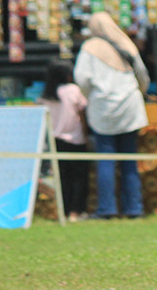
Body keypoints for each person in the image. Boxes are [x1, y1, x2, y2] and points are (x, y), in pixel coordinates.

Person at [73, 12, 150, 219]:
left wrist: (92, 97)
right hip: (131, 107)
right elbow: (143, 76)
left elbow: (81, 79)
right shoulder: (127, 44)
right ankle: (134, 208)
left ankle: (107, 209)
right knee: (129, 160)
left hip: (104, 108)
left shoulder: (89, 48)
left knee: (106, 159)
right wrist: (138, 94)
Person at [39, 59, 89, 222]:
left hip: (56, 142)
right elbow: (81, 114)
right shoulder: (73, 90)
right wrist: (86, 133)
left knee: (63, 178)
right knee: (79, 177)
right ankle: (77, 211)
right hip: (76, 139)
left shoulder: (46, 94)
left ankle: (65, 211)